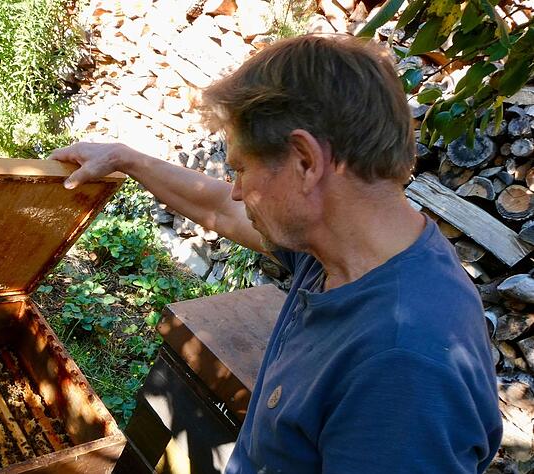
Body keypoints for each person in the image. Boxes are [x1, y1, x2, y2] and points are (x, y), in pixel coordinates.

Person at [51, 34, 503, 473]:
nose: (236, 189)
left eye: (241, 169)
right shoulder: (340, 244)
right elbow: (219, 210)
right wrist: (127, 159)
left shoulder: (403, 371)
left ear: (305, 161)